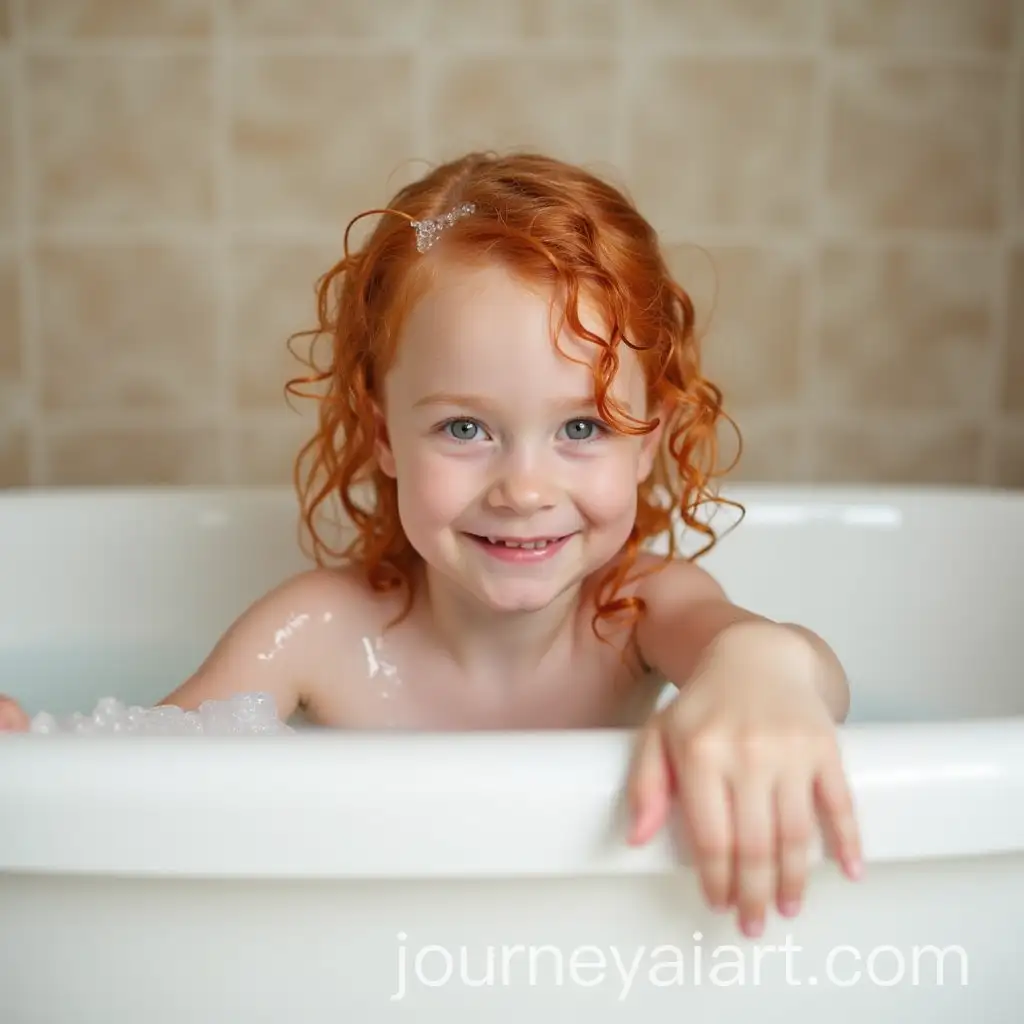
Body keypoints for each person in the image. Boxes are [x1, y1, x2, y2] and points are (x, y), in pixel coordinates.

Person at [0, 151, 861, 937]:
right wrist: (34, 745)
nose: (524, 489)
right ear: (382, 436)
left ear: (646, 441)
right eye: (463, 427)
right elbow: (141, 775)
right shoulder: (319, 633)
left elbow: (807, 668)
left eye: (582, 426)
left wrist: (760, 670)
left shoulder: (636, 610)